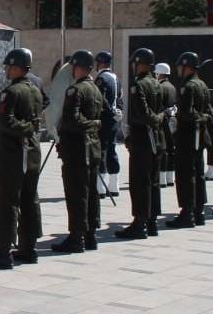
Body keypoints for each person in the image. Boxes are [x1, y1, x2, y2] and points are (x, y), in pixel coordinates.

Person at [0, 48, 42, 270]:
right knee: (30, 198)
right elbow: (38, 114)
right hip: (32, 152)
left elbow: (5, 123)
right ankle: (29, 247)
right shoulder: (35, 89)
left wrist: (25, 128)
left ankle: (3, 251)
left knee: (8, 201)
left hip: (13, 153)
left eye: (8, 66)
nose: (6, 70)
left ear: (16, 67)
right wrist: (31, 127)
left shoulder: (12, 92)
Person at [51, 49, 104, 254]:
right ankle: (90, 235)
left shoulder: (76, 90)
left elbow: (72, 120)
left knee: (76, 194)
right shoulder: (95, 89)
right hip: (92, 148)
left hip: (77, 149)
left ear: (78, 67)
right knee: (91, 193)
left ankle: (76, 237)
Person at [115, 48, 164, 239]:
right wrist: (159, 118)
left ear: (141, 64)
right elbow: (160, 110)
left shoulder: (139, 85)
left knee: (140, 182)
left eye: (136, 63)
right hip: (156, 139)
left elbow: (144, 114)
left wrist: (155, 119)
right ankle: (152, 222)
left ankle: (140, 222)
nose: (134, 67)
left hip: (143, 139)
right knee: (153, 181)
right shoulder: (157, 84)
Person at [167, 52, 209, 228]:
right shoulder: (203, 85)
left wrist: (176, 116)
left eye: (180, 67)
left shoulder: (188, 87)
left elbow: (188, 113)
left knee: (186, 175)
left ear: (187, 67)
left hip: (187, 135)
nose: (179, 70)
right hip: (199, 136)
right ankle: (199, 211)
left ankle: (187, 213)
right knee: (198, 173)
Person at [93, 52, 122, 198]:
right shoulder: (116, 78)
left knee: (101, 150)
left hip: (104, 119)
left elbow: (100, 99)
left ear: (100, 63)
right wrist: (118, 112)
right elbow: (120, 98)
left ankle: (100, 188)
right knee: (112, 149)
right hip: (114, 120)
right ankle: (114, 185)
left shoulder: (101, 78)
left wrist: (110, 112)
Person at [155, 63, 177, 188]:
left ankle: (162, 178)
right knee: (171, 148)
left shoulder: (160, 87)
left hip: (163, 120)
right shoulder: (172, 87)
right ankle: (170, 177)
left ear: (159, 73)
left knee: (163, 149)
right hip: (172, 120)